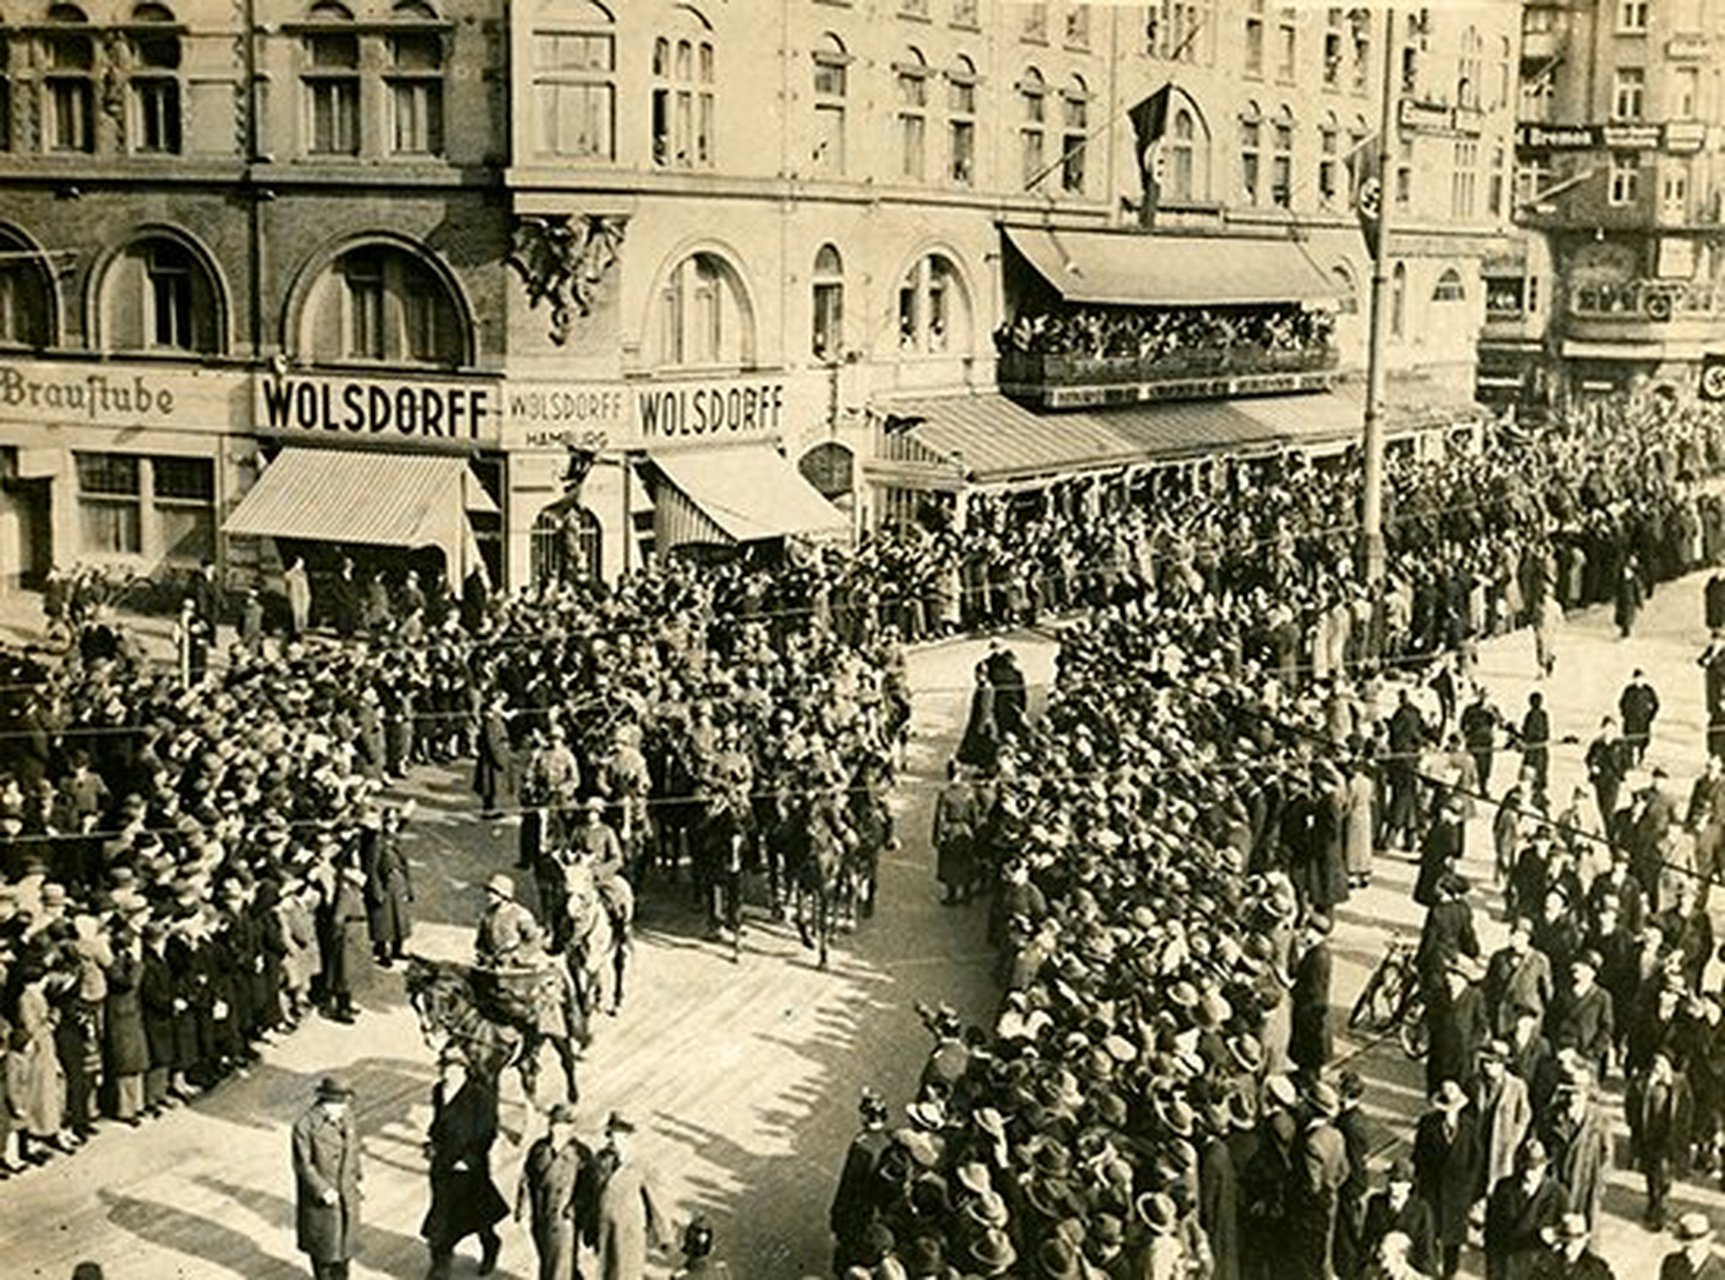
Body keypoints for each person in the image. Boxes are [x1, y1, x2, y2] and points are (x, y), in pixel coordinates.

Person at [421, 1049, 508, 1279]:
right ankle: (440, 1264)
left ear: (464, 1070)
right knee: (441, 1216)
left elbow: (488, 1131)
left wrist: (467, 1160)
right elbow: (438, 1122)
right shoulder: (439, 1091)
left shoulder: (480, 1096)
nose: (448, 1073)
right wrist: (431, 1143)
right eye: (444, 1068)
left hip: (471, 1168)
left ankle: (491, 1247)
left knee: (479, 1217)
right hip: (442, 1164)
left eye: (453, 1068)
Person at [576, 1111, 671, 1280]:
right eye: (611, 1134)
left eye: (618, 1135)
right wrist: (589, 1225)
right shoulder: (599, 1161)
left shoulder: (641, 1164)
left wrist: (665, 1235)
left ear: (628, 1136)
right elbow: (592, 1195)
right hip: (605, 1231)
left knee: (628, 1275)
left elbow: (658, 1200)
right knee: (607, 1273)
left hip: (629, 1233)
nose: (613, 1139)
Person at [291, 1075, 361, 1280]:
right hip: (323, 1199)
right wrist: (323, 1190)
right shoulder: (305, 1126)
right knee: (324, 1250)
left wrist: (356, 1178)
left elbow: (354, 1150)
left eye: (345, 1103)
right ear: (325, 1102)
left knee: (344, 1249)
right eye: (338, 1105)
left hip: (347, 1193)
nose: (343, 1109)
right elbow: (302, 1165)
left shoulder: (347, 1116)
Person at [516, 1100, 587, 1280]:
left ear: (571, 1128)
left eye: (564, 1126)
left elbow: (589, 1188)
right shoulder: (539, 1149)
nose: (559, 1131)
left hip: (564, 1220)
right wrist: (521, 1207)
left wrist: (576, 1208)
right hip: (541, 1216)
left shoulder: (579, 1153)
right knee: (548, 1261)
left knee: (558, 1267)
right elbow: (526, 1179)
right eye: (555, 1125)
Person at [1483, 1137, 1567, 1280]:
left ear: (1545, 1166)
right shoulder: (1504, 1188)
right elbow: (1492, 1233)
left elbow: (1565, 1240)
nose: (1528, 1173)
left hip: (1538, 1271)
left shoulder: (1558, 1194)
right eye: (1526, 1166)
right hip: (1506, 1269)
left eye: (1534, 1168)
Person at [932, 761, 979, 907]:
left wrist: (936, 836)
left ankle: (951, 896)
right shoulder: (969, 793)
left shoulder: (945, 794)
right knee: (966, 862)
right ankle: (967, 895)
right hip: (966, 830)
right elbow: (975, 815)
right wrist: (975, 831)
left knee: (950, 863)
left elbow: (940, 817)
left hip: (951, 830)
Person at [1530, 1213, 1614, 1280]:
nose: (1569, 1247)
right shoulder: (1545, 1267)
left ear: (1585, 1239)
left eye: (1576, 1239)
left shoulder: (1598, 1271)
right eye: (1565, 1240)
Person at [1660, 1212, 1725, 1280]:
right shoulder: (1671, 1263)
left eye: (1692, 1246)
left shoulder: (1720, 1271)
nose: (1688, 1251)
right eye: (1685, 1246)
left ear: (1706, 1242)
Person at [1620, 670, 1661, 765]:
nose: (1639, 681)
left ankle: (1641, 757)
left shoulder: (1648, 691)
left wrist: (1651, 717)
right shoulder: (1629, 691)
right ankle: (1629, 760)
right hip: (1630, 720)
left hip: (1643, 720)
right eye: (1637, 679)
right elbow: (1622, 703)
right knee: (1629, 740)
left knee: (1643, 740)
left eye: (1641, 679)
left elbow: (1656, 704)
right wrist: (1625, 715)